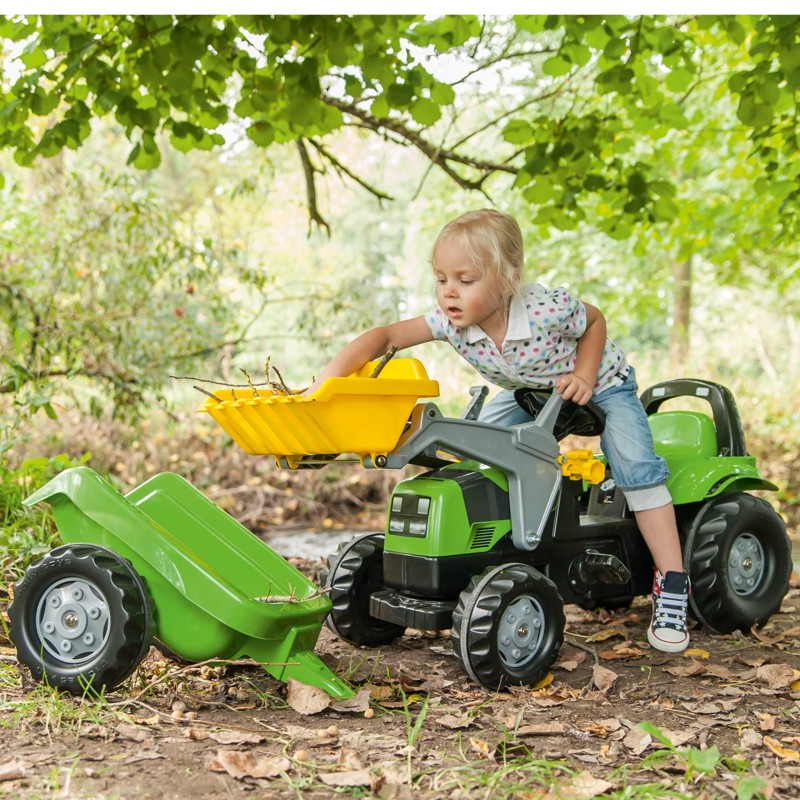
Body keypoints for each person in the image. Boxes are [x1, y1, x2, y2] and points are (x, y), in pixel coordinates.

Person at [307, 208, 690, 653]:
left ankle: (673, 583)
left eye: (465, 281)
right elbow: (386, 336)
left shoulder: (546, 309)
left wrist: (585, 375)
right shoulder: (449, 322)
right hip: (531, 390)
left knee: (637, 470)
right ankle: (501, 551)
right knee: (480, 454)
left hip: (601, 384)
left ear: (507, 280)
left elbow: (596, 320)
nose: (450, 292)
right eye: (441, 278)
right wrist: (330, 379)